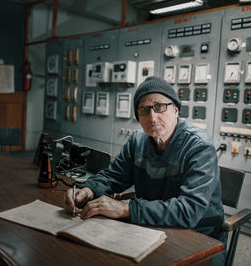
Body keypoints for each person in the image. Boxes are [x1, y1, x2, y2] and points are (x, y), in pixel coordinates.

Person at [64, 76, 226, 265]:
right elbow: (113, 176)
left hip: (199, 237)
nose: (153, 117)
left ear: (176, 110)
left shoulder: (199, 147)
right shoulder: (137, 141)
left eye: (160, 107)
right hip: (149, 227)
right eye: (144, 110)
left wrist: (127, 208)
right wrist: (88, 189)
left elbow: (188, 211)